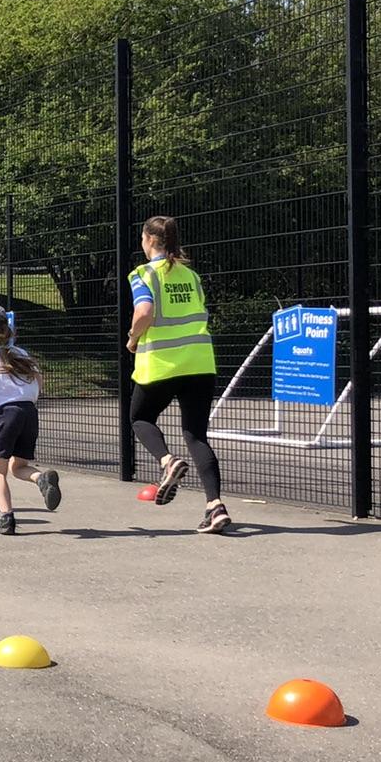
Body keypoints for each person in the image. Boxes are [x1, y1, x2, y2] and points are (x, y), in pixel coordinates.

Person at [126, 215, 231, 534]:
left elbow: (144, 311)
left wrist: (132, 337)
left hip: (162, 363)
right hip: (200, 362)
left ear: (149, 239)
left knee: (140, 418)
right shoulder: (191, 275)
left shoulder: (142, 274)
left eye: (142, 238)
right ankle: (215, 506)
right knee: (196, 435)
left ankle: (167, 461)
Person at [0, 303, 61, 536]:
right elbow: (39, 382)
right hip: (29, 412)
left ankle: (6, 519)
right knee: (18, 466)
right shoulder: (21, 354)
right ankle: (41, 478)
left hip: (6, 414)